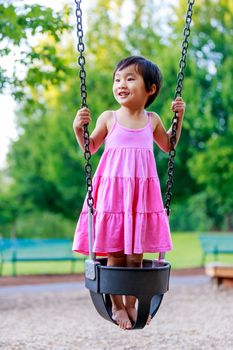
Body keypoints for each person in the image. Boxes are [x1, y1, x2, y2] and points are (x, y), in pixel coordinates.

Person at [72, 56, 185, 330]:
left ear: (151, 89)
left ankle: (132, 302)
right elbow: (91, 147)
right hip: (112, 192)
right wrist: (78, 127)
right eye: (118, 79)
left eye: (130, 78)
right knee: (114, 252)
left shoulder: (152, 119)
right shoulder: (109, 118)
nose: (121, 84)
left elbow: (169, 146)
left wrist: (178, 118)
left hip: (140, 195)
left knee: (135, 256)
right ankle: (117, 304)